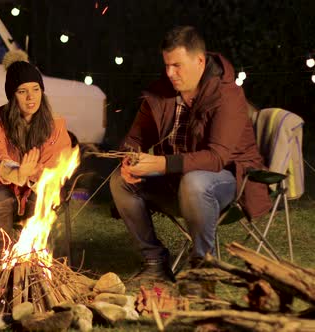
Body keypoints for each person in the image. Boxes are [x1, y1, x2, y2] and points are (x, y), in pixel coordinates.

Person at [109, 26, 271, 283]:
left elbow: (217, 157)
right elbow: (135, 138)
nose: (170, 73)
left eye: (177, 65)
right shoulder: (161, 93)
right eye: (166, 65)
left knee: (195, 181)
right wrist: (130, 159)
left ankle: (203, 270)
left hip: (228, 182)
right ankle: (154, 263)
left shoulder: (227, 95)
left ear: (199, 60)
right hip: (177, 181)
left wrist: (161, 164)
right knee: (119, 182)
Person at [0, 60, 72, 257]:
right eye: (22, 91)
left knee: (40, 196)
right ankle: (3, 264)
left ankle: (38, 262)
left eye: (36, 89)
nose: (31, 97)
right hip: (5, 187)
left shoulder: (55, 125)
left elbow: (54, 168)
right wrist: (16, 171)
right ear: (12, 95)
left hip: (38, 188)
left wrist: (31, 175)